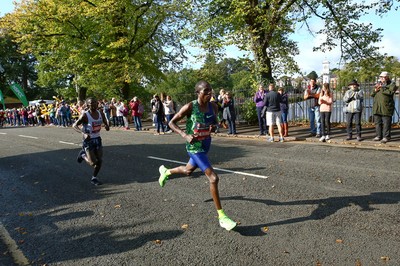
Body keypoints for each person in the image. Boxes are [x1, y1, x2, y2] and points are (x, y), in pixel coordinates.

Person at [158, 80, 237, 231]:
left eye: (211, 91)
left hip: (206, 143)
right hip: (194, 146)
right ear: (198, 93)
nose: (209, 94)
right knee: (213, 177)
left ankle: (166, 171)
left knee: (188, 171)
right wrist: (184, 134)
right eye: (206, 91)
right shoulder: (190, 106)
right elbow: (171, 123)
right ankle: (222, 217)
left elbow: (214, 120)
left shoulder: (213, 106)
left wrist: (215, 125)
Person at [73, 97, 110, 186]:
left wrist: (107, 125)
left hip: (97, 139)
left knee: (99, 160)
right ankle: (82, 155)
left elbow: (105, 121)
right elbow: (74, 125)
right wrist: (84, 133)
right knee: (93, 162)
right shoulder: (85, 115)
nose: (93, 105)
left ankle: (94, 178)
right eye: (91, 103)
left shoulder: (101, 113)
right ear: (88, 105)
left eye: (95, 103)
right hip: (88, 140)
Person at [371, 71, 398, 143]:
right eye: (381, 77)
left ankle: (386, 137)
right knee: (377, 123)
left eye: (384, 77)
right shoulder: (377, 84)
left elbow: (390, 92)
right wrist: (375, 90)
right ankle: (378, 136)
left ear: (387, 77)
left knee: (386, 123)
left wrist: (381, 88)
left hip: (386, 107)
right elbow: (372, 94)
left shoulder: (392, 84)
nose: (383, 78)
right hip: (377, 107)